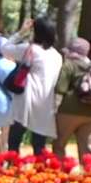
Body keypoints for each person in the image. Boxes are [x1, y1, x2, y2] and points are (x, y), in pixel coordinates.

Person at [18, 18, 64, 155]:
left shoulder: (30, 49)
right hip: (47, 103)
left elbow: (5, 48)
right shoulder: (57, 56)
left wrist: (21, 32)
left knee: (14, 140)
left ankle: (12, 169)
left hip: (26, 100)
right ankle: (41, 173)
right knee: (39, 145)